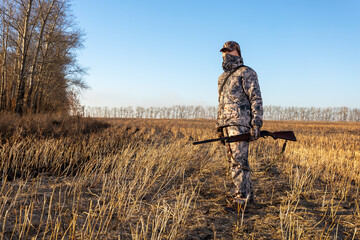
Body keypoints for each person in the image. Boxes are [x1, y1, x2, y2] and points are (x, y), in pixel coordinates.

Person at [217, 41, 263, 205]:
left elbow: (255, 98)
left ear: (238, 52)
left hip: (241, 124)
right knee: (233, 162)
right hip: (226, 125)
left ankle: (242, 199)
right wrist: (219, 127)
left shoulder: (247, 72)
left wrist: (256, 123)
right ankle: (245, 196)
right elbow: (221, 103)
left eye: (229, 50)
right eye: (223, 51)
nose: (225, 53)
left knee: (239, 162)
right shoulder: (222, 78)